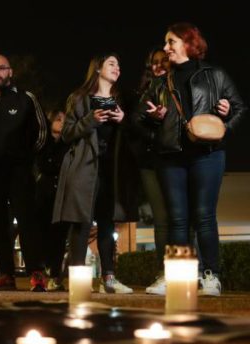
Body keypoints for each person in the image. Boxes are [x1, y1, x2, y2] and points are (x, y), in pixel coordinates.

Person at [137, 22, 245, 296]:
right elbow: (137, 121)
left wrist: (226, 118)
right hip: (170, 157)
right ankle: (176, 276)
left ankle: (210, 276)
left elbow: (240, 109)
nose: (165, 48)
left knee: (205, 217)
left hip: (207, 155)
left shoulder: (214, 75)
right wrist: (153, 119)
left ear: (188, 43)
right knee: (177, 220)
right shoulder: (160, 83)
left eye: (170, 41)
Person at [53, 53, 138, 294]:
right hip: (84, 168)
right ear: (98, 68)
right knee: (80, 223)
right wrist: (90, 119)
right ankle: (78, 280)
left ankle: (109, 279)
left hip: (111, 169)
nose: (117, 68)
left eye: (119, 65)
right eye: (112, 63)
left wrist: (123, 120)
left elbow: (133, 135)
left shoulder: (121, 100)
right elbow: (67, 133)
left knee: (107, 223)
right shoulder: (80, 98)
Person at [0, 54, 48, 291]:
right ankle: (6, 274)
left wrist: (26, 158)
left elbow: (42, 133)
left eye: (1, 68)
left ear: (10, 72)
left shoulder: (26, 99)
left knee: (27, 222)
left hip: (20, 172)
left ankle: (37, 272)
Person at [135, 49, 171, 295]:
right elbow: (135, 124)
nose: (159, 66)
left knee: (183, 218)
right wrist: (153, 127)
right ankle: (164, 272)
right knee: (161, 220)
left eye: (163, 61)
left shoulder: (180, 87)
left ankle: (195, 271)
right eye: (154, 63)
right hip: (151, 162)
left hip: (177, 160)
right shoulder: (143, 93)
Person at [35, 110, 70, 291]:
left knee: (59, 235)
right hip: (45, 194)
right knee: (44, 233)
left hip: (62, 194)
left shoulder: (68, 143)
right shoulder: (44, 143)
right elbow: (45, 165)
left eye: (65, 120)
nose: (62, 123)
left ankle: (55, 274)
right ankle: (45, 269)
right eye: (58, 119)